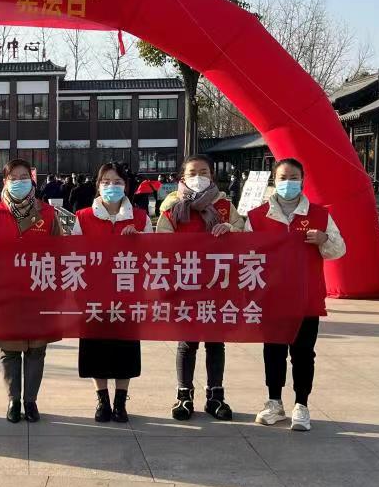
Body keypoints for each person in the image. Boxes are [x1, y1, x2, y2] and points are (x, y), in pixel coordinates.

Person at [246, 158, 346, 432]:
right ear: (274, 180)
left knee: (303, 353)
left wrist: (325, 239)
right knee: (273, 351)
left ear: (302, 180)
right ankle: (274, 402)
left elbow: (339, 249)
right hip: (271, 298)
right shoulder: (257, 217)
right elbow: (244, 255)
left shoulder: (319, 215)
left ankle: (301, 404)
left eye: (293, 177)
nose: (288, 183)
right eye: (283, 177)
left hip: (306, 297)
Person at [0, 159, 72, 422]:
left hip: (39, 293)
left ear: (32, 181)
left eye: (23, 177)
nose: (19, 182)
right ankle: (13, 400)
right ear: (5, 182)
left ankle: (30, 401)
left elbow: (60, 253)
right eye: (13, 178)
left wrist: (59, 289)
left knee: (36, 349)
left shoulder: (47, 213)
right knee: (9, 350)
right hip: (5, 294)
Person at [157, 155, 239, 421]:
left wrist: (230, 229)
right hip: (185, 284)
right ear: (182, 177)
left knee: (216, 342)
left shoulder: (225, 206)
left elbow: (247, 237)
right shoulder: (172, 207)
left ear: (212, 176)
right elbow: (161, 245)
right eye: (192, 172)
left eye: (203, 172)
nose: (198, 176)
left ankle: (215, 396)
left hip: (218, 284)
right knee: (187, 342)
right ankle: (184, 395)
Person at [75, 162, 152, 422]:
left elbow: (153, 256)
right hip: (93, 295)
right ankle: (102, 400)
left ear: (126, 186)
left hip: (127, 295)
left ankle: (121, 401)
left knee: (124, 349)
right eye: (106, 182)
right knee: (96, 349)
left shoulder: (140, 218)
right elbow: (73, 256)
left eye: (117, 182)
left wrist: (138, 241)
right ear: (98, 185)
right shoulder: (83, 217)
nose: (111, 186)